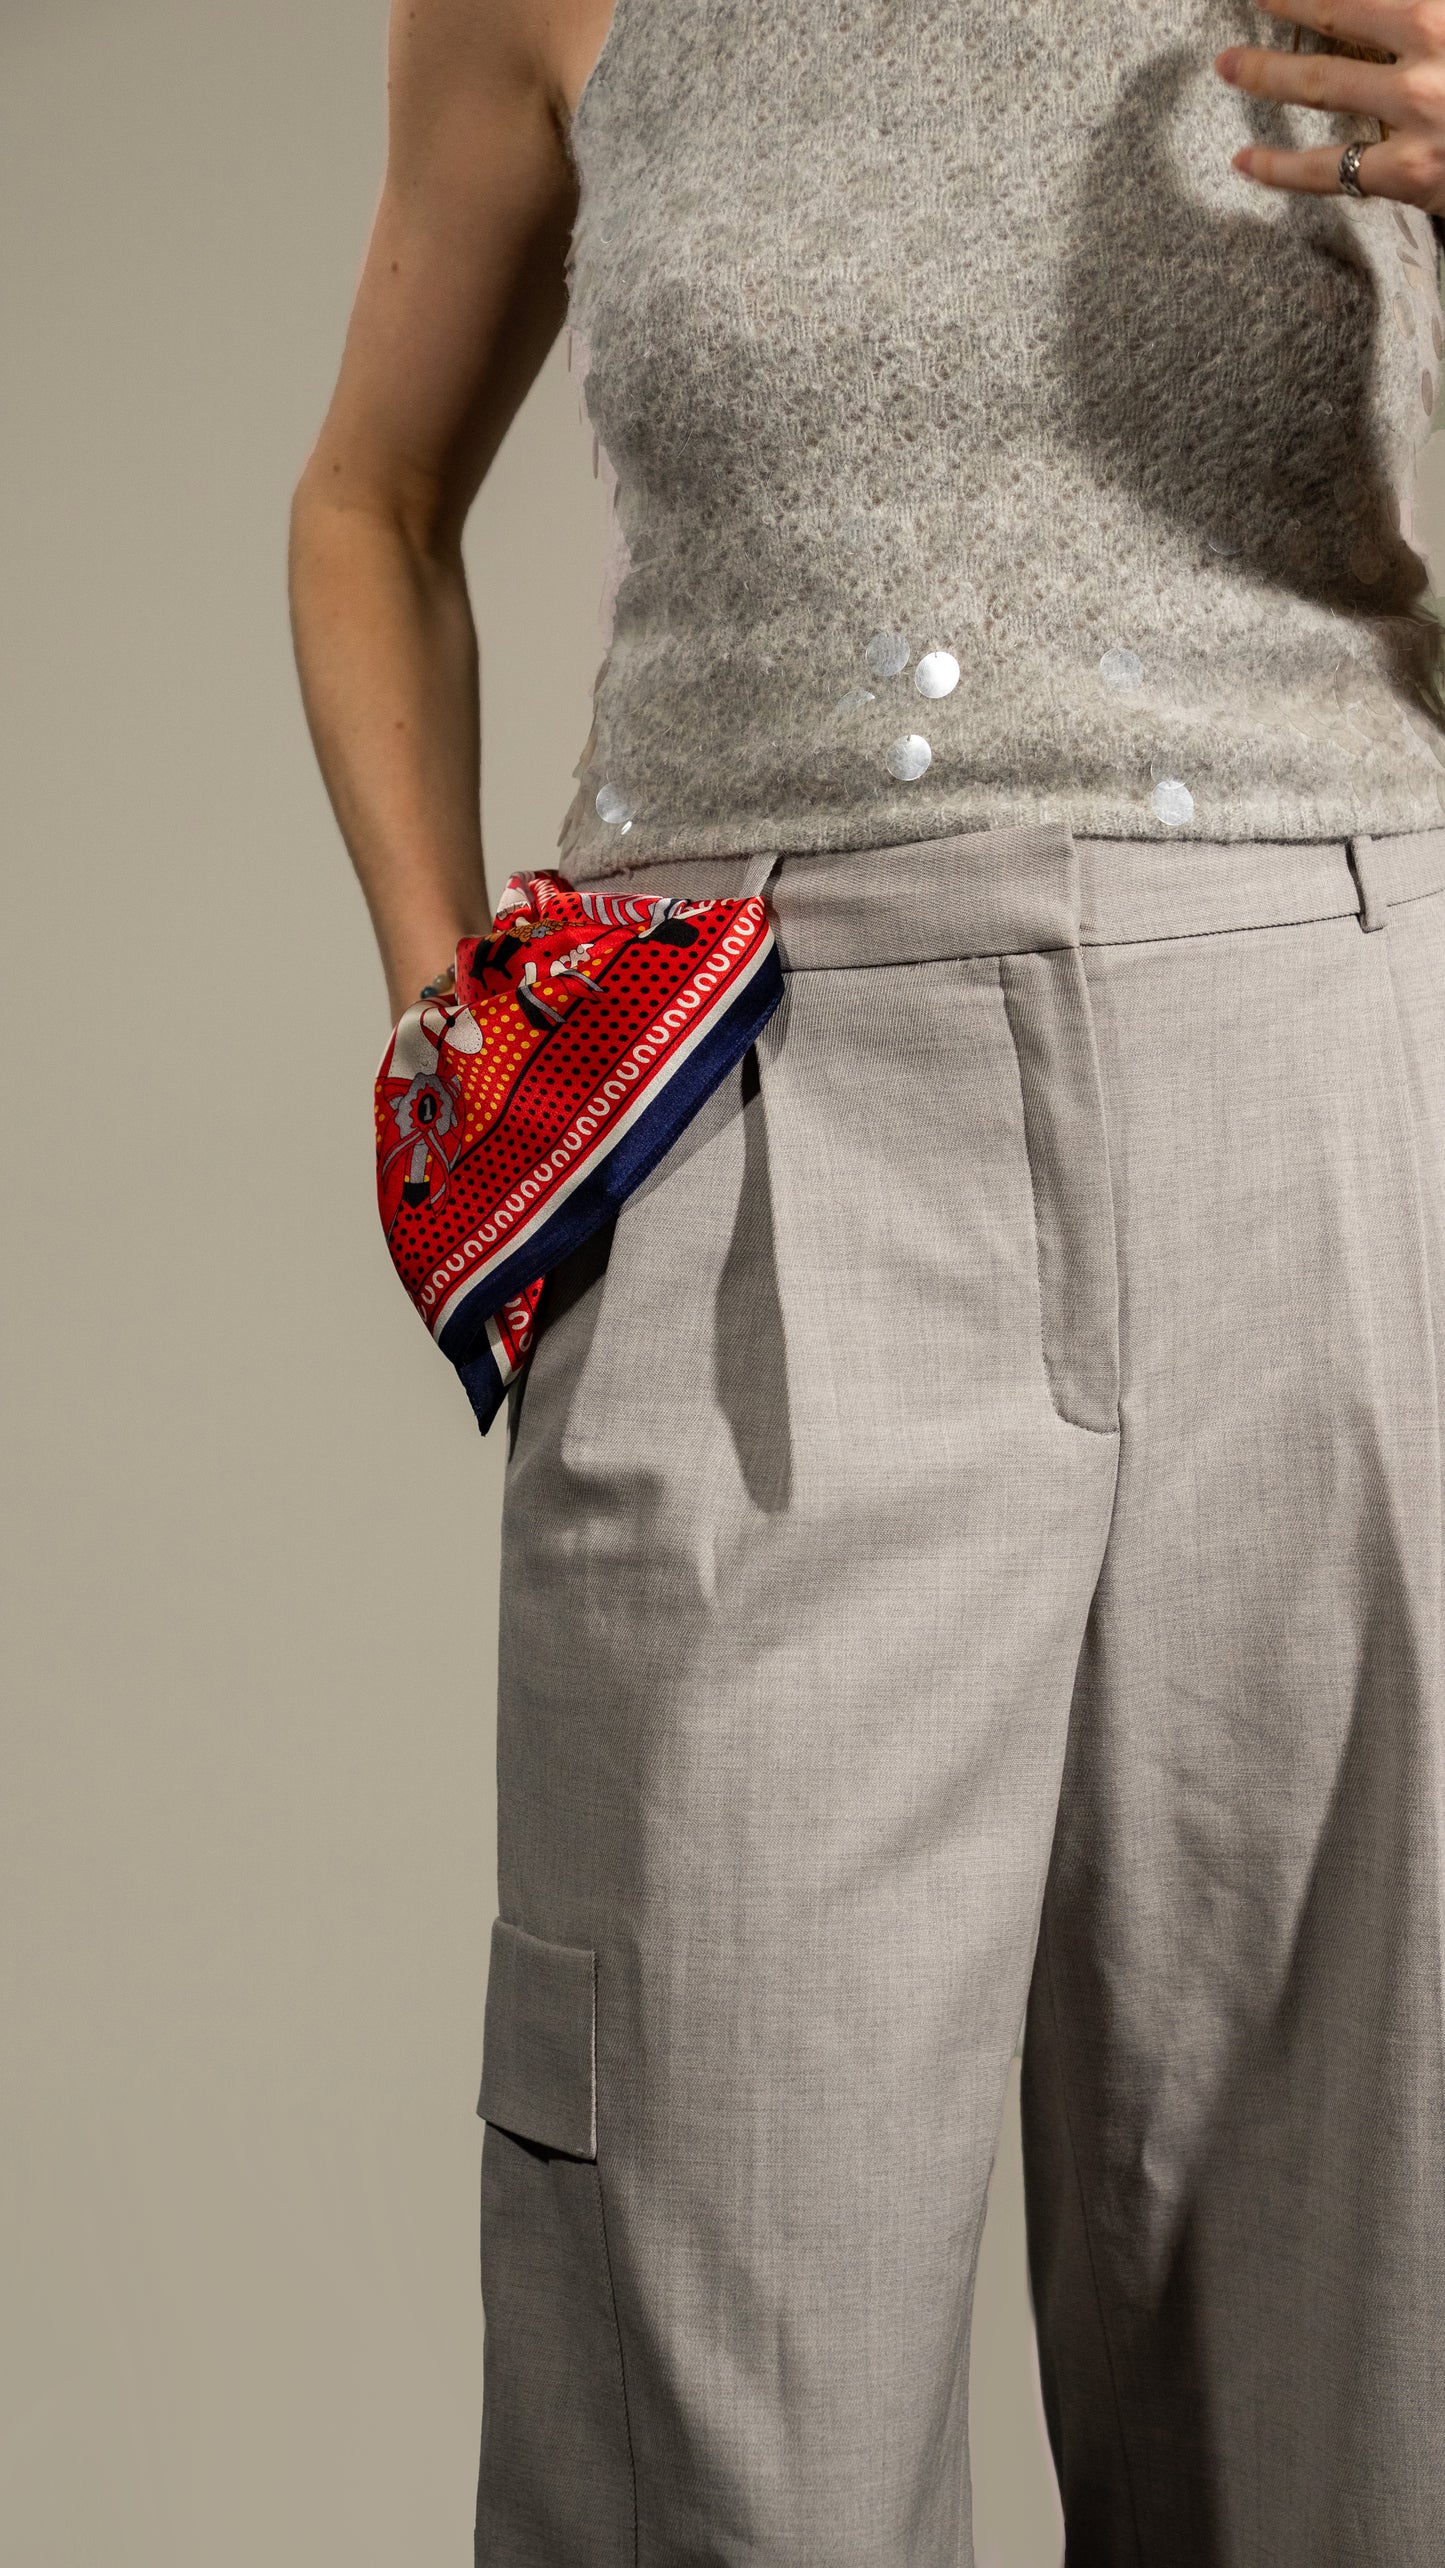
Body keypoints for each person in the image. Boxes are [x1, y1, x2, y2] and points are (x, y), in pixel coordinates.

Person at [289, 4, 1445, 2559]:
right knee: (712, 2344)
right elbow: (369, 496)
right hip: (764, 1111)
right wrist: (445, 1018)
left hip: (1336, 1073)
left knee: (1363, 2339)